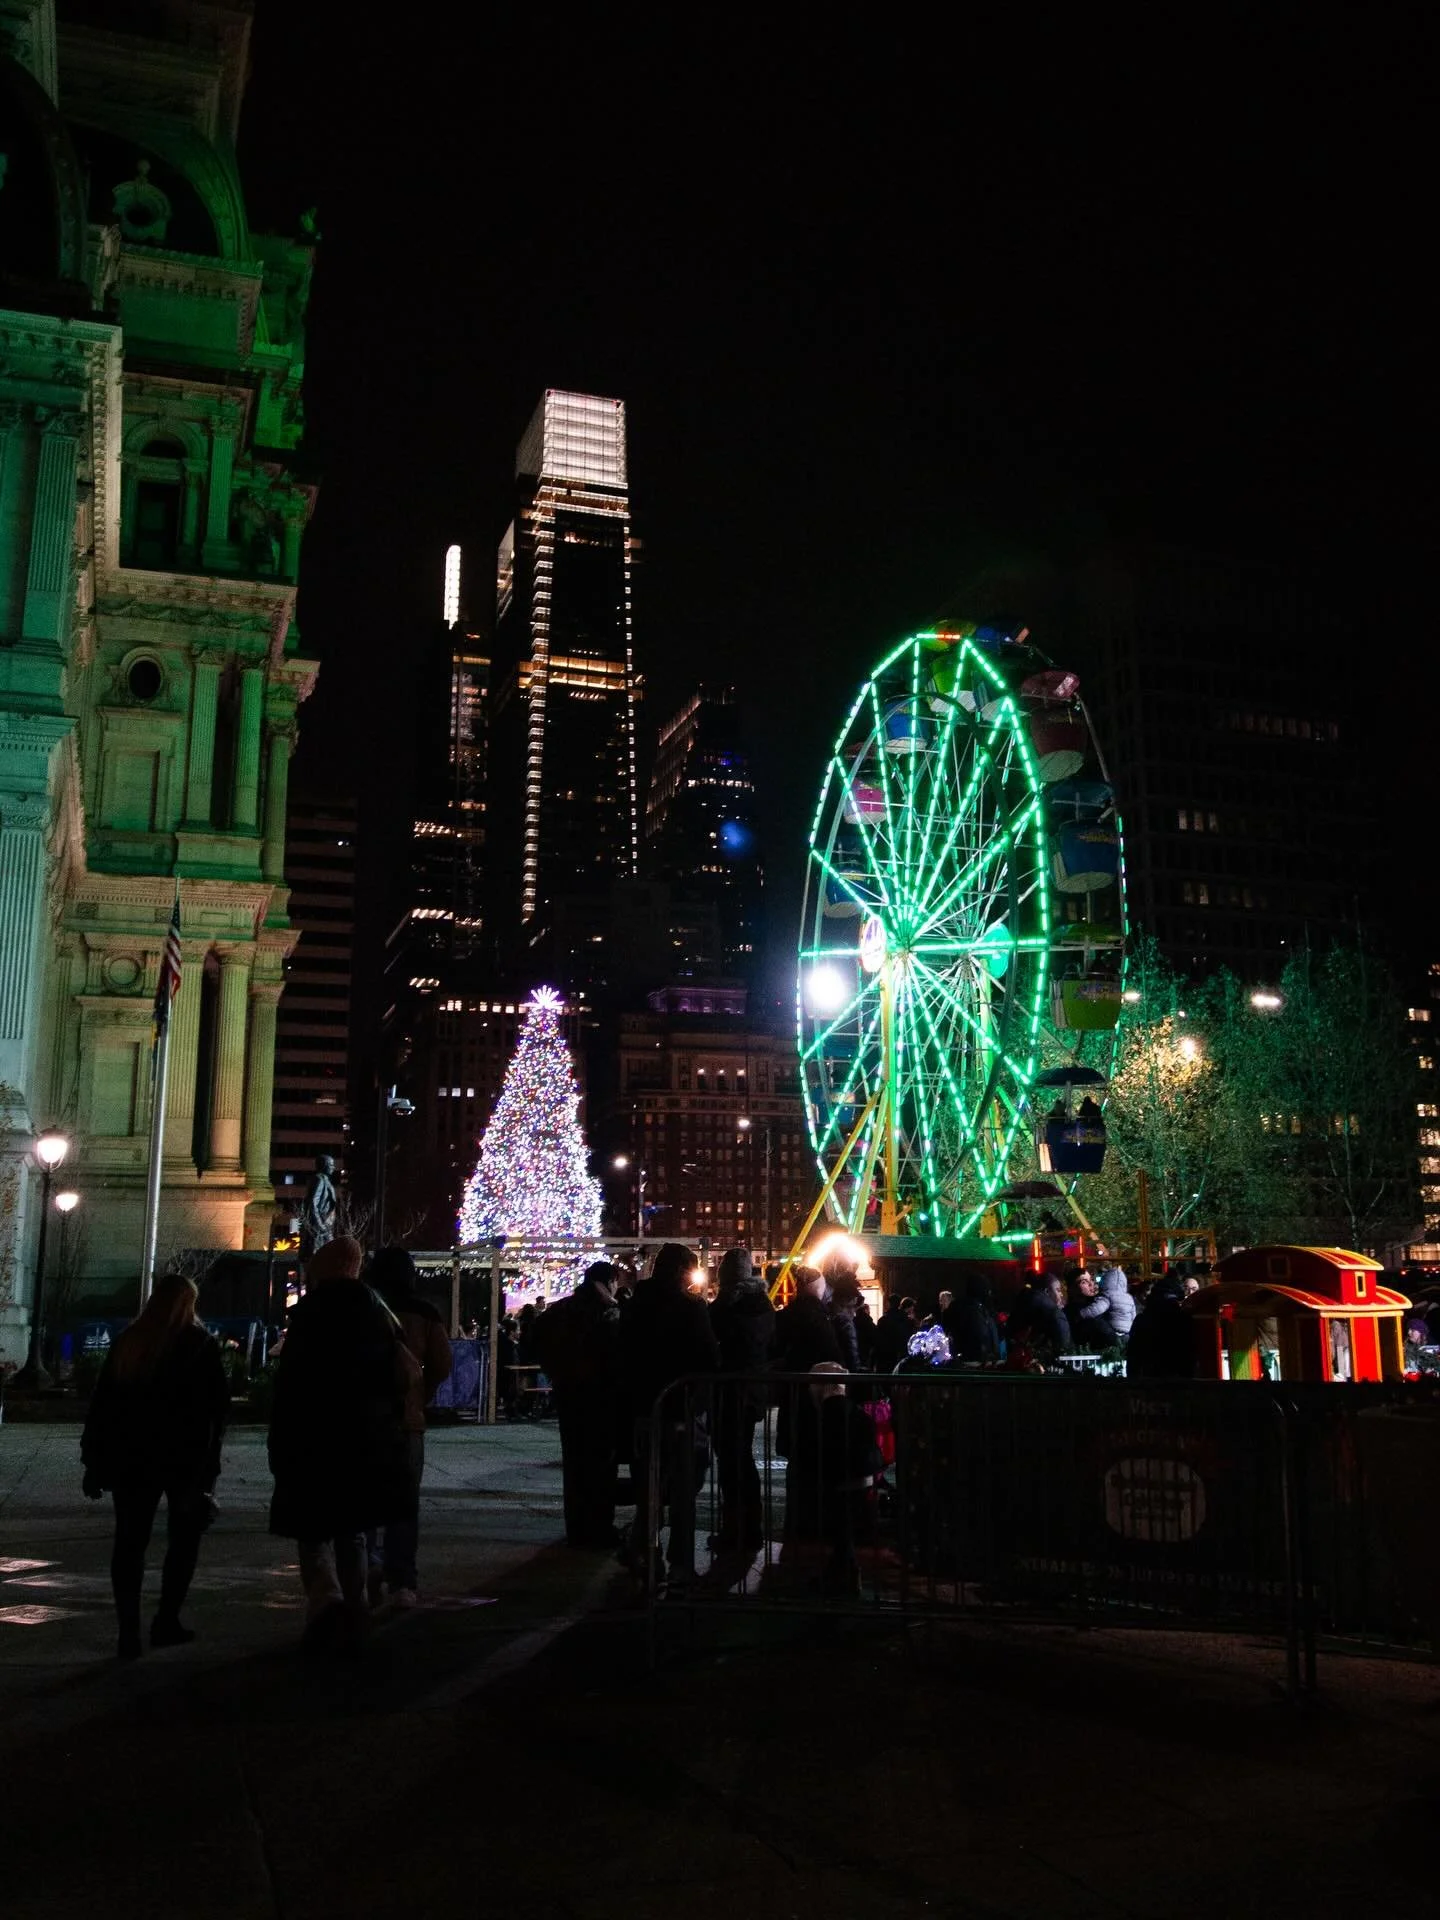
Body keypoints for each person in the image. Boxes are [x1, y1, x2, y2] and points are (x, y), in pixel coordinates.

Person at [267, 1235, 414, 1651]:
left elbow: (292, 1388)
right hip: (367, 1440)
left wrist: (280, 1444)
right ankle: (355, 1610)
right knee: (354, 1533)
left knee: (314, 1533)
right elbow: (398, 1380)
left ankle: (325, 1604)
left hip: (314, 1439)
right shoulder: (378, 1312)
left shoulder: (311, 1314)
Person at [81, 1274, 230, 1660]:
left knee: (129, 1544)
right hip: (184, 1459)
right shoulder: (199, 1346)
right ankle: (166, 1619)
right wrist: (209, 1467)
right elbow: (216, 1412)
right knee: (183, 1542)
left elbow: (103, 1407)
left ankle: (128, 1632)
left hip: (133, 1457)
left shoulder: (131, 1342)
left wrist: (94, 1460)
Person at [620, 1242, 720, 1583]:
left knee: (649, 1488)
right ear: (682, 1271)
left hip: (644, 1408)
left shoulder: (634, 1307)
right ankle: (679, 1562)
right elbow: (708, 1357)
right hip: (680, 1408)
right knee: (683, 1489)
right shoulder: (691, 1309)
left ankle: (646, 1554)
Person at [364, 1247, 452, 1606]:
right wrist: (421, 1393)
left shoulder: (365, 1308)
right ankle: (403, 1581)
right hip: (407, 1421)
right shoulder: (425, 1312)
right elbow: (442, 1365)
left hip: (366, 1419)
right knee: (404, 1502)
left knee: (364, 1498)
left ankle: (367, 1564)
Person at [533, 1261, 623, 1548]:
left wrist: (555, 1369)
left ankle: (577, 1526)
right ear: (610, 1281)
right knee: (601, 1465)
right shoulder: (607, 1312)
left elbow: (535, 1337)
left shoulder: (561, 1309)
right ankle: (599, 1527)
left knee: (575, 1464)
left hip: (568, 1392)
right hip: (600, 1395)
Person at [786, 1363, 883, 1594]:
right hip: (859, 1480)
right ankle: (842, 1569)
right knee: (843, 1530)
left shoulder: (821, 1418)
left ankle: (843, 1575)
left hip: (836, 1482)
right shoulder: (857, 1414)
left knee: (839, 1526)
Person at [708, 1248, 775, 1552]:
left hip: (731, 1391)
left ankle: (736, 1529)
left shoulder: (728, 1305)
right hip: (751, 1391)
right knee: (742, 1459)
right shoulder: (762, 1305)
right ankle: (750, 1526)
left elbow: (713, 1337)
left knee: (731, 1461)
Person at [773, 1265, 843, 1458]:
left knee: (795, 1454)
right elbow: (833, 1354)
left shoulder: (784, 1316)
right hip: (816, 1395)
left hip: (791, 1392)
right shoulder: (821, 1319)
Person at [1126, 1277, 1196, 1379]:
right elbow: (1190, 1354)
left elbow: (1133, 1356)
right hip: (1178, 1381)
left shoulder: (1143, 1319)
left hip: (1149, 1379)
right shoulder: (1183, 1319)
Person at [942, 1273, 1001, 1364]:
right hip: (975, 1360)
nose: (989, 1292)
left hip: (973, 1360)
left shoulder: (980, 1308)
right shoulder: (977, 1309)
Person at [1027, 1273, 1073, 1357]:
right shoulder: (1055, 1314)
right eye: (1058, 1290)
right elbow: (1063, 1347)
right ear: (1047, 1291)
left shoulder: (1026, 1305)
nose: (1061, 1294)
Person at [1068, 1265, 1112, 1349]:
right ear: (1071, 1288)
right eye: (1084, 1282)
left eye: (1091, 1280)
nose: (1091, 1284)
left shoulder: (1100, 1306)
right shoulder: (1072, 1312)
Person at [872, 1295, 919, 1373]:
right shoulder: (906, 1320)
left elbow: (877, 1341)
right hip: (900, 1357)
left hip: (884, 1357)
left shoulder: (883, 1320)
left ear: (889, 1304)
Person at [1096, 1264, 1136, 1344]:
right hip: (1126, 1333)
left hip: (1110, 1332)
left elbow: (1097, 1310)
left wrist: (1082, 1313)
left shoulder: (1107, 1295)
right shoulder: (1129, 1298)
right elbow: (1133, 1317)